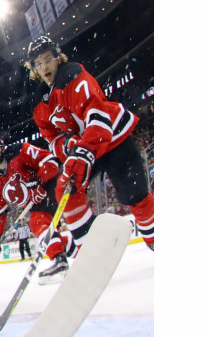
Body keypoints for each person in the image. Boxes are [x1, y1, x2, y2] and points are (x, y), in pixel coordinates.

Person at [26, 36, 154, 251]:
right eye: (38, 63)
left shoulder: (75, 77)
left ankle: (155, 237)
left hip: (114, 141)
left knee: (136, 196)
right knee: (66, 189)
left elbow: (97, 118)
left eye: (48, 59)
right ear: (34, 69)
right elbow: (53, 138)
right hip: (86, 149)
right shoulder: (40, 103)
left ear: (59, 58)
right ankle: (90, 247)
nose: (44, 66)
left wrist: (82, 151)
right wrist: (69, 146)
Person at [0, 133, 89, 283]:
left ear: (2, 147)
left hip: (51, 186)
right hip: (36, 203)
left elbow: (50, 161)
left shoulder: (20, 151)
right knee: (47, 234)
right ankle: (80, 250)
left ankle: (60, 261)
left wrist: (39, 180)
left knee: (37, 222)